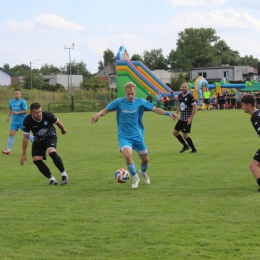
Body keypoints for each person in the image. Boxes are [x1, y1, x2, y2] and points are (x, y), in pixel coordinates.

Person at [91, 82, 176, 189]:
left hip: (137, 136)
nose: (130, 96)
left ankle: (143, 172)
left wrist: (169, 114)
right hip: (124, 136)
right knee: (127, 155)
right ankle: (135, 177)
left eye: (132, 94)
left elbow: (155, 109)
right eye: (128, 94)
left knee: (145, 160)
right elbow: (106, 110)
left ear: (135, 92)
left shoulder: (140, 102)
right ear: (125, 93)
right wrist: (98, 114)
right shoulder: (119, 102)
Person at [20, 102, 69, 186]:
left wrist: (63, 130)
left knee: (51, 152)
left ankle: (64, 175)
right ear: (31, 113)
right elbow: (25, 137)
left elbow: (58, 122)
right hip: (38, 139)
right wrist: (23, 155)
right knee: (36, 159)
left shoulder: (47, 115)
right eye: (36, 113)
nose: (39, 114)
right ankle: (52, 179)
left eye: (40, 112)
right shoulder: (27, 120)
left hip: (50, 135)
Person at [2, 88, 34, 155]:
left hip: (23, 121)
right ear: (14, 94)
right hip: (14, 122)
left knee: (27, 135)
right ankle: (8, 150)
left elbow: (25, 110)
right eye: (16, 93)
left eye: (18, 94)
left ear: (20, 94)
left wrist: (17, 112)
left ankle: (37, 143)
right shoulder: (11, 101)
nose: (17, 95)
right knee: (11, 135)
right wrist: (8, 117)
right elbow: (10, 110)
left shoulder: (23, 101)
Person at [240, 94, 260, 192]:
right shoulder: (258, 113)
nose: (242, 107)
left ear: (249, 105)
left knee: (253, 165)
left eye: (243, 105)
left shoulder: (255, 117)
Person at [173, 82, 198, 153]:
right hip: (181, 118)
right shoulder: (180, 96)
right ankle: (185, 146)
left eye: (185, 87)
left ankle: (194, 149)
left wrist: (190, 118)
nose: (184, 88)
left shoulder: (190, 97)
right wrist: (176, 114)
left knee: (185, 136)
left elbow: (195, 107)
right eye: (183, 87)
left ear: (188, 88)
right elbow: (179, 106)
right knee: (175, 132)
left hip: (187, 119)